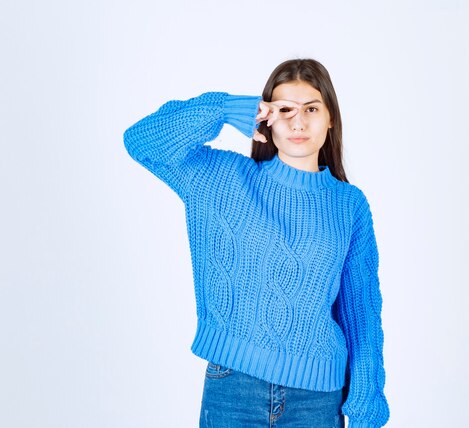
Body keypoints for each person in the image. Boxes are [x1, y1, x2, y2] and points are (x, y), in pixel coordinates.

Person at [124, 58, 389, 427]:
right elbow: (141, 141)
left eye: (311, 108)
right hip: (234, 387)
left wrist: (365, 404)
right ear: (266, 117)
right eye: (284, 110)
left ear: (330, 118)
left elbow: (361, 310)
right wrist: (226, 108)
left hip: (318, 399)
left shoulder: (349, 205)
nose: (298, 122)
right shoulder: (221, 178)